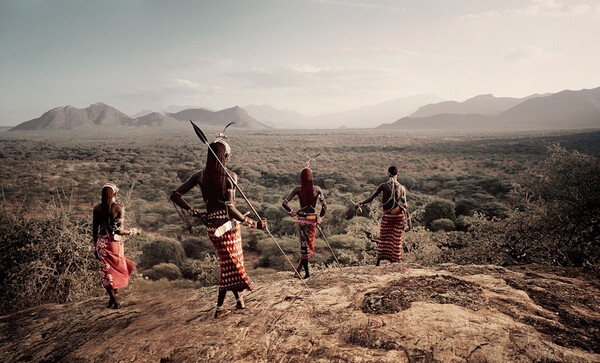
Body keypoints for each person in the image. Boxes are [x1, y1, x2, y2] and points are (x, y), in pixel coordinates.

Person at [170, 138, 267, 319]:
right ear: (226, 156)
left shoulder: (199, 175)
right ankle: (219, 308)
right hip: (228, 228)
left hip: (212, 228)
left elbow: (175, 195)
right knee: (230, 264)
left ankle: (239, 300)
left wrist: (197, 213)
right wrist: (255, 224)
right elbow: (230, 209)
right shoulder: (230, 176)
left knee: (230, 263)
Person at [92, 182, 139, 309]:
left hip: (101, 244)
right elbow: (119, 230)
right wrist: (134, 231)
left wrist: (95, 247)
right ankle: (115, 300)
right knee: (119, 270)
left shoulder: (96, 208)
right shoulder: (119, 208)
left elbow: (94, 230)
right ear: (115, 194)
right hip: (114, 244)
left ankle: (112, 300)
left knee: (107, 274)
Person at [355, 166, 411, 266]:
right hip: (398, 216)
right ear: (398, 174)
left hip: (387, 216)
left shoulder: (383, 186)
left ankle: (379, 262)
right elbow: (405, 205)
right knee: (396, 239)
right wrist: (409, 222)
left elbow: (372, 197)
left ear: (388, 173)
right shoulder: (402, 188)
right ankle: (396, 261)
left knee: (384, 238)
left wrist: (360, 203)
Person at [282, 167, 327, 279]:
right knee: (308, 246)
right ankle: (303, 273)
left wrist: (292, 212)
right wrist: (320, 217)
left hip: (301, 219)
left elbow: (284, 203)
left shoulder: (297, 189)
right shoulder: (317, 189)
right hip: (312, 220)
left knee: (304, 247)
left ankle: (303, 273)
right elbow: (325, 207)